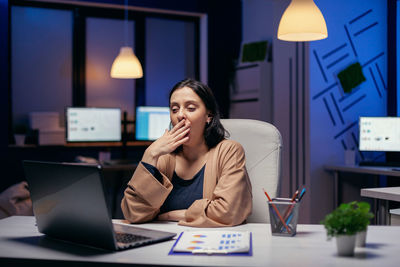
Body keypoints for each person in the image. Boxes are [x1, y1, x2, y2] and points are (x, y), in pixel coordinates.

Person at [121, 78, 252, 227]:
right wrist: (149, 155)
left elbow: (228, 212)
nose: (180, 115)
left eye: (190, 108)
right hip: (163, 243)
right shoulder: (163, 158)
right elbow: (133, 213)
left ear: (208, 116)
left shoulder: (229, 151)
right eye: (174, 109)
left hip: (209, 243)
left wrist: (174, 215)